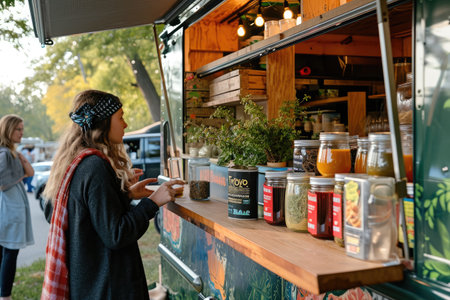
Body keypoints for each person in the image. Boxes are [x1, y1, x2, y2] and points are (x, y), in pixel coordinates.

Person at [41, 90, 184, 300]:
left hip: (89, 284)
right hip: (109, 287)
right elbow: (116, 234)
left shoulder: (75, 162)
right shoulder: (95, 166)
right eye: (120, 117)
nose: (125, 124)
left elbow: (77, 214)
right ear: (104, 122)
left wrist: (123, 195)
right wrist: (152, 202)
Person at [0, 114, 35, 300]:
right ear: (8, 130)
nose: (22, 133)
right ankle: (5, 296)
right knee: (9, 252)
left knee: (7, 252)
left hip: (11, 205)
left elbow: (30, 172)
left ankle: (4, 294)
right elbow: (2, 181)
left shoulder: (13, 152)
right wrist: (18, 175)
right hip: (8, 207)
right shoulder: (4, 153)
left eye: (22, 129)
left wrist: (22, 161)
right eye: (18, 129)